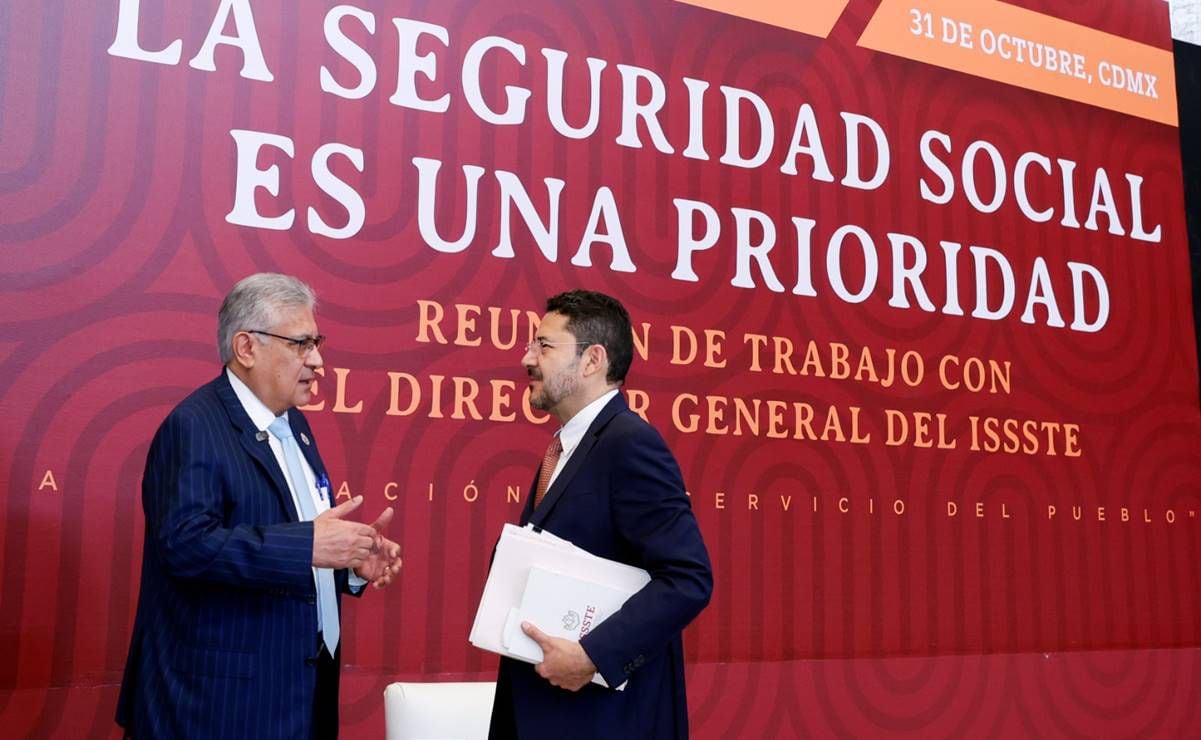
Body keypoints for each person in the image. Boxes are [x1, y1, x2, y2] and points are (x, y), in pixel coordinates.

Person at [116, 273, 402, 739]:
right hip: (216, 706)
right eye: (301, 344)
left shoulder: (297, 429)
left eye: (317, 342)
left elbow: (297, 543)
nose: (319, 360)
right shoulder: (195, 426)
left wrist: (349, 562)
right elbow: (186, 545)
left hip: (298, 693)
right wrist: (311, 544)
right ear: (246, 347)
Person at [488, 290, 713, 739]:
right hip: (545, 711)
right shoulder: (568, 445)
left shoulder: (630, 443)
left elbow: (688, 578)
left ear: (592, 360)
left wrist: (593, 655)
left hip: (602, 720)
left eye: (544, 345)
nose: (526, 357)